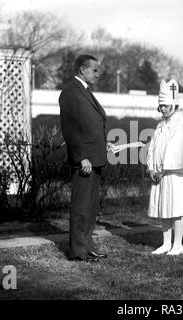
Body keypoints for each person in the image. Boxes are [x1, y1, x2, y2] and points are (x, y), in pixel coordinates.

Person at [59, 54, 110, 262]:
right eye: (94, 71)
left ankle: (87, 247)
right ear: (82, 69)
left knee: (90, 207)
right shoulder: (70, 92)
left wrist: (103, 143)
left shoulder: (85, 91)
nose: (97, 74)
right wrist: (82, 158)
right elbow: (70, 129)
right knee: (81, 206)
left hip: (95, 157)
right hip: (85, 161)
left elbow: (91, 125)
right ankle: (78, 251)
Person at [147, 79, 183, 256]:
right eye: (161, 106)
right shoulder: (160, 125)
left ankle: (178, 244)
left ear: (174, 105)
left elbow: (177, 150)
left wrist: (164, 169)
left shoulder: (181, 124)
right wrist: (152, 168)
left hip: (176, 174)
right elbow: (153, 149)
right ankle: (166, 243)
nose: (163, 109)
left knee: (176, 210)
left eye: (166, 105)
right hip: (160, 175)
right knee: (165, 209)